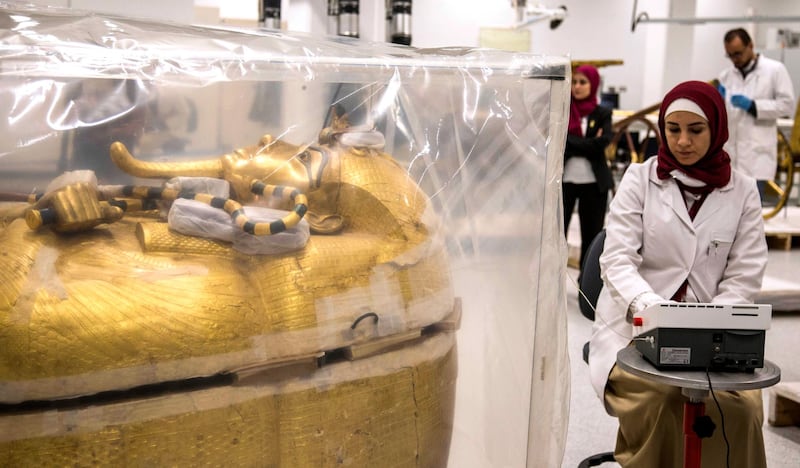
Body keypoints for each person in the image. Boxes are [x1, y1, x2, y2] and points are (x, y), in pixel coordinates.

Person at [588, 80, 768, 467]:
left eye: (696, 130)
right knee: (669, 399)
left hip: (715, 338)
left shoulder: (743, 191)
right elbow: (617, 260)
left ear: (716, 129)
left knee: (744, 409)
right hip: (633, 333)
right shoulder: (640, 180)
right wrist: (657, 312)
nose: (683, 141)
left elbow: (745, 272)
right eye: (673, 130)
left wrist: (707, 326)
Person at [717, 27, 795, 200]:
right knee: (728, 208)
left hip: (756, 154)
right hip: (731, 153)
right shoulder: (726, 76)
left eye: (738, 53)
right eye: (730, 55)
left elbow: (787, 105)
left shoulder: (775, 70)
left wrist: (753, 106)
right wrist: (718, 102)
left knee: (752, 210)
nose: (734, 60)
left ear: (750, 46)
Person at [563, 64, 614, 270]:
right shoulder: (563, 109)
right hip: (564, 181)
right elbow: (559, 141)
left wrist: (571, 142)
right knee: (556, 236)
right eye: (574, 82)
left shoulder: (602, 113)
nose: (577, 86)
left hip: (594, 183)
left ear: (593, 85)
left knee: (591, 238)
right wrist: (588, 144)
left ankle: (586, 285)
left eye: (583, 82)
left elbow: (604, 142)